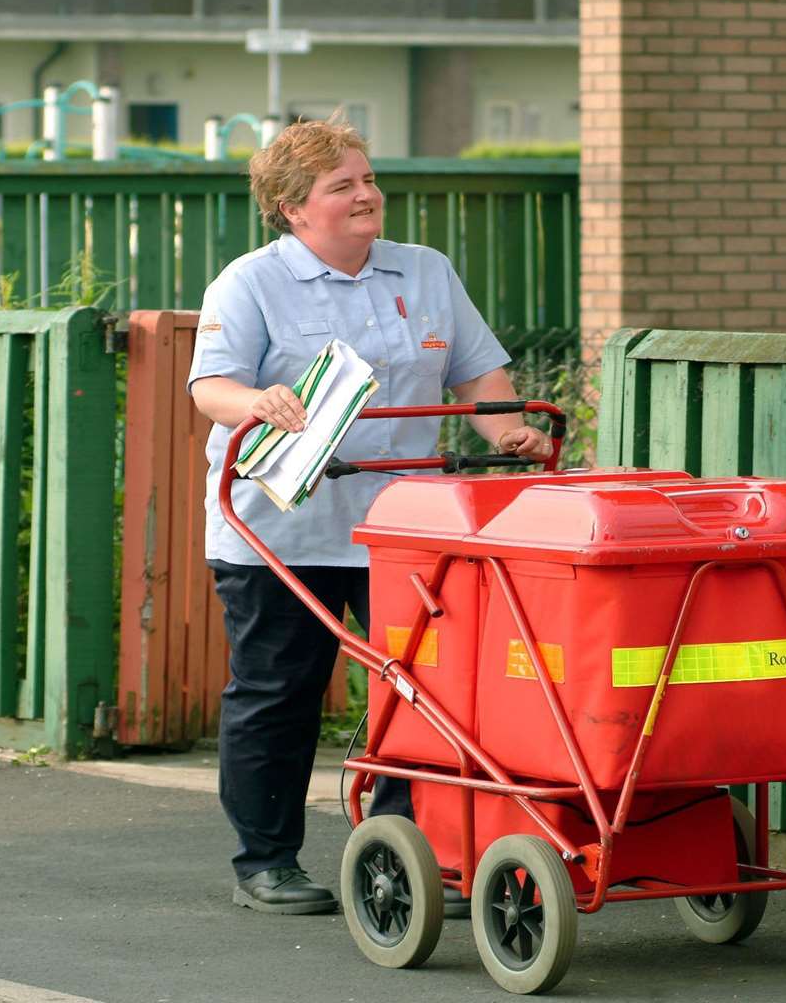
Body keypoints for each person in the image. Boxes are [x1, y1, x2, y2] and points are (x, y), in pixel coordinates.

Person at [187, 118, 553, 915]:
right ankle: (268, 861)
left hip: (405, 527)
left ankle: (409, 853)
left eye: (368, 179)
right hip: (281, 530)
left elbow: (478, 375)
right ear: (291, 208)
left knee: (421, 692)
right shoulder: (248, 284)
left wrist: (509, 431)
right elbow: (210, 388)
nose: (366, 195)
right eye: (342, 186)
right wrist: (259, 402)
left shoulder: (424, 272)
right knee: (281, 690)